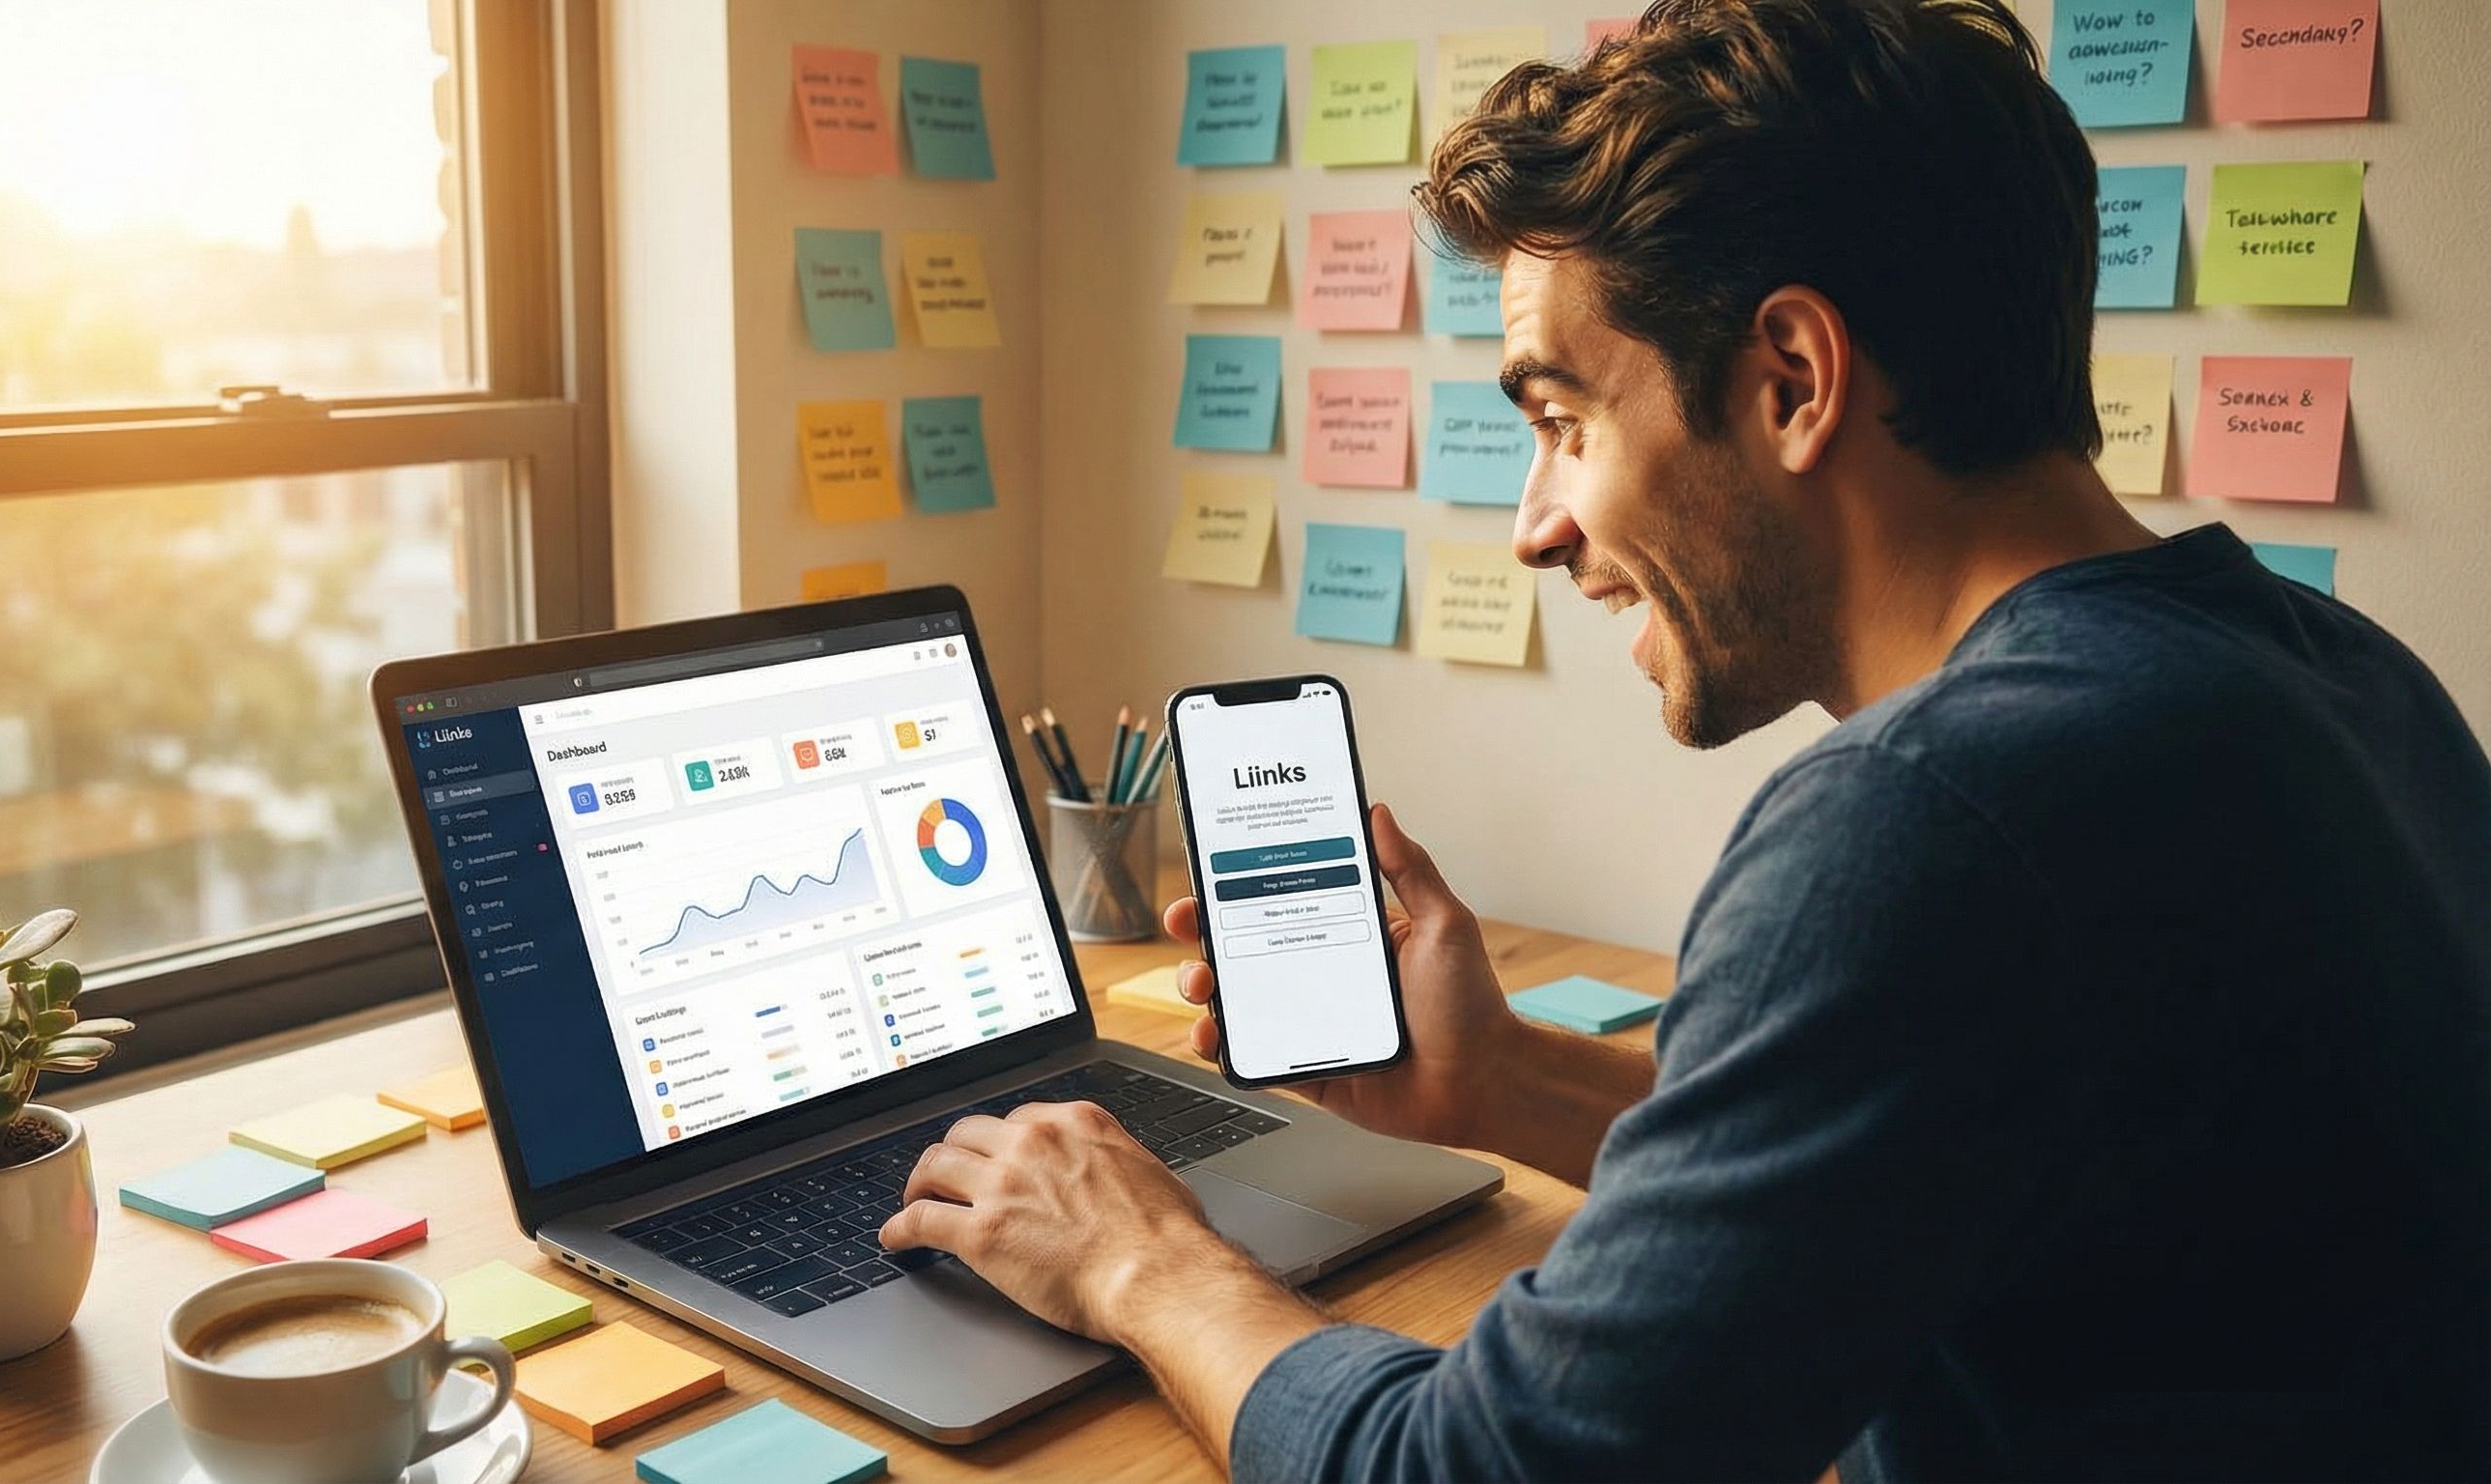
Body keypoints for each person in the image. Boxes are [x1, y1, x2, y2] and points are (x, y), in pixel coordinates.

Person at [875, 1, 2491, 1477]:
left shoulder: (1927, 819)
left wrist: (1137, 1261)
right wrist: (1504, 1076)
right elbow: (1935, 1163)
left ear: (1791, 376)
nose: (1536, 526)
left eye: (1565, 422)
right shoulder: (2328, 676)